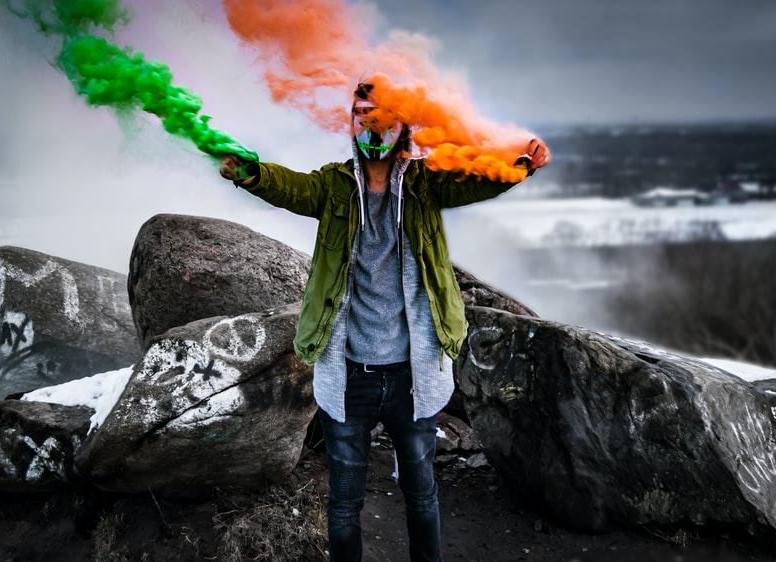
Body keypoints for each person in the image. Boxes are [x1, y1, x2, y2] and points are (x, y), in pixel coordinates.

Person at [220, 82, 549, 562]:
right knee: (345, 503)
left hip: (412, 375)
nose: (370, 126)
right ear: (351, 123)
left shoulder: (425, 182)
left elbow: (478, 180)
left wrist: (520, 166)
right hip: (348, 374)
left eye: (382, 116)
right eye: (361, 115)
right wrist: (250, 175)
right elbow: (288, 186)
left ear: (403, 125)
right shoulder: (333, 184)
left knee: (421, 494)